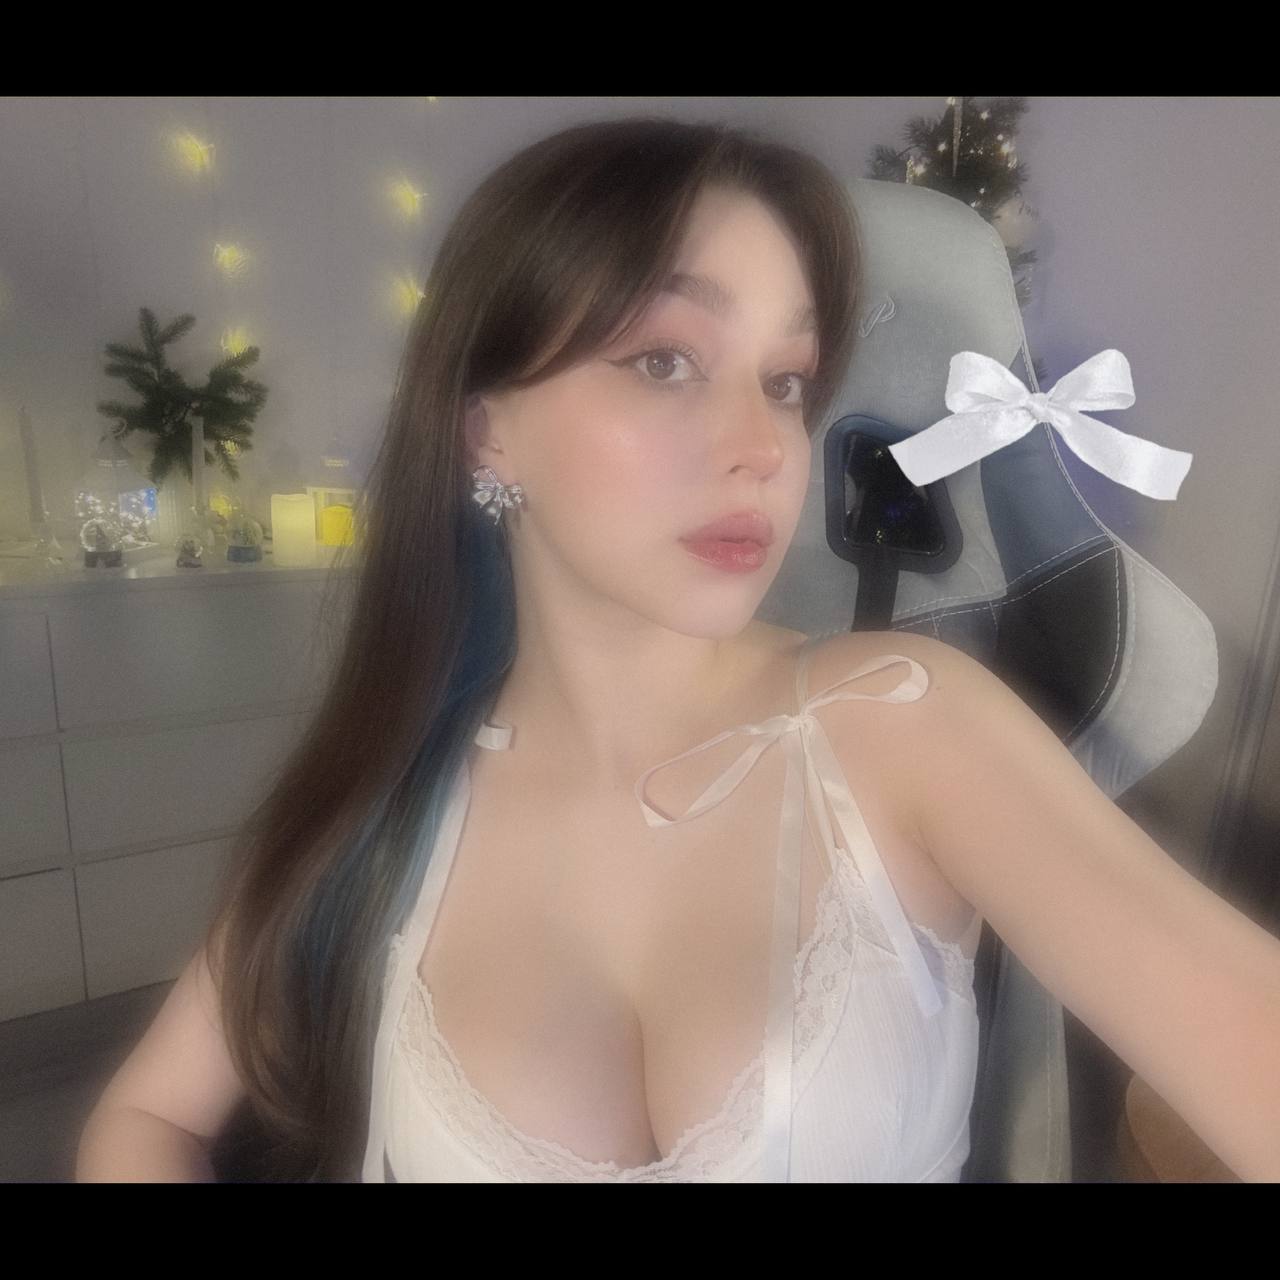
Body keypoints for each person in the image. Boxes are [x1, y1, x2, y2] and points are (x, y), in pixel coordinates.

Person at [78, 115, 1280, 1185]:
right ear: (485, 431)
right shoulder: (387, 802)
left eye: (786, 380)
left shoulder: (903, 725)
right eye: (664, 361)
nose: (762, 445)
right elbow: (145, 1112)